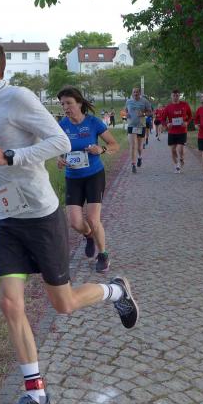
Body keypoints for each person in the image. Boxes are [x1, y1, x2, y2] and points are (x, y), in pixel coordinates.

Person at [0, 37, 139, 404]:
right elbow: (3, 166)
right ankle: (36, 397)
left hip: (40, 218)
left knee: (64, 303)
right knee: (10, 303)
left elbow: (59, 141)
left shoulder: (19, 98)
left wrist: (9, 156)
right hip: (6, 218)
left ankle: (116, 291)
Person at [57, 86, 119, 273]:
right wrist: (59, 159)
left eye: (69, 103)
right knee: (75, 222)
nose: (65, 107)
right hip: (73, 177)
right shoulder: (62, 125)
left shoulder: (93, 122)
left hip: (94, 175)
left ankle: (103, 255)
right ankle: (89, 235)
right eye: (62, 104)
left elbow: (114, 144)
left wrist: (101, 150)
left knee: (93, 218)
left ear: (79, 103)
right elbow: (58, 150)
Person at [162, 89, 193, 173]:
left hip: (182, 131)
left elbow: (190, 116)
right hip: (172, 131)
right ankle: (176, 165)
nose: (175, 97)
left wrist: (186, 122)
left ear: (179, 96)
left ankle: (181, 159)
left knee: (180, 149)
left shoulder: (185, 105)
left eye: (177, 95)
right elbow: (162, 119)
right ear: (171, 96)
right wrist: (167, 124)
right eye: (174, 95)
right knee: (173, 150)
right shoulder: (168, 107)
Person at [125, 87, 150, 173]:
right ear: (132, 93)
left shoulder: (145, 101)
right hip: (131, 126)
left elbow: (150, 112)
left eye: (137, 92)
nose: (135, 93)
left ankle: (139, 157)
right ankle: (133, 164)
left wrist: (143, 114)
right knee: (132, 145)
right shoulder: (128, 101)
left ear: (140, 93)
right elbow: (125, 110)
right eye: (134, 92)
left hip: (141, 126)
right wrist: (126, 114)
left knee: (139, 147)